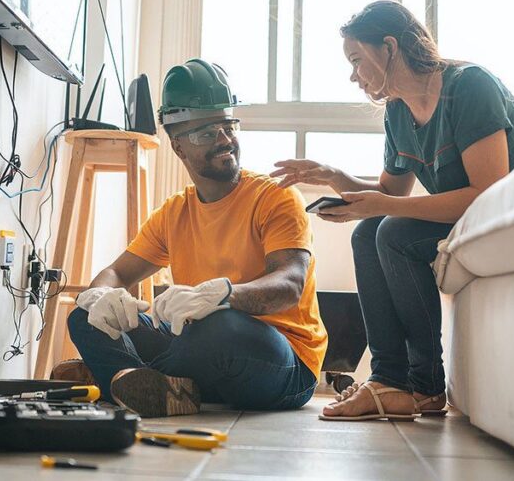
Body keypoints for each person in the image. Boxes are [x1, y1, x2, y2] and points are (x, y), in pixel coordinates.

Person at [271, 0, 514, 421]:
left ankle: (423, 386)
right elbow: (389, 191)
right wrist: (333, 176)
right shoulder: (398, 112)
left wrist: (385, 205)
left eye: (356, 60)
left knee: (393, 232)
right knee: (369, 232)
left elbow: (489, 191)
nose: (353, 75)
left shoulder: (468, 86)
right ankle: (389, 379)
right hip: (474, 213)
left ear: (388, 47)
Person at [65, 58, 327, 417]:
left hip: (284, 363)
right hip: (199, 351)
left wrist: (226, 295)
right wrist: (102, 295)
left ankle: (119, 378)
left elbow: (290, 283)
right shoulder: (174, 213)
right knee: (84, 314)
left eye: (228, 126)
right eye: (207, 133)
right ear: (178, 147)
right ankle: (162, 390)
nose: (224, 140)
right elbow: (118, 272)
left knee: (217, 328)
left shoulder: (275, 198)